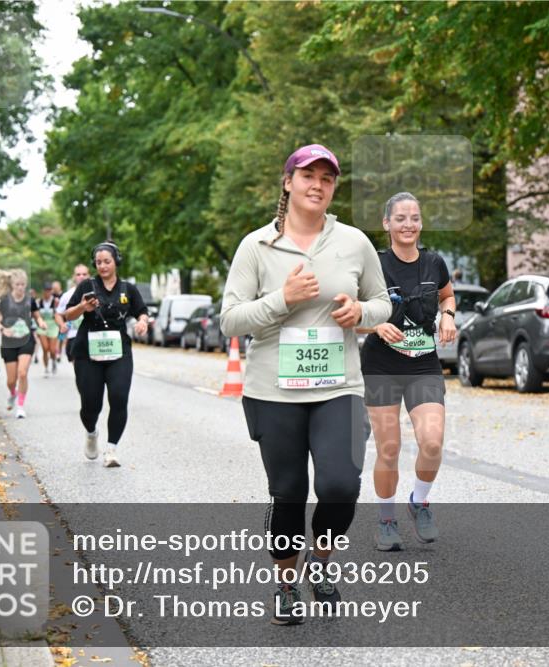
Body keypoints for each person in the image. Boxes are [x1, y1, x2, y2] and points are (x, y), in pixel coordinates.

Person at [220, 144, 392, 625]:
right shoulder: (257, 246)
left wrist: (361, 313)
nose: (318, 185)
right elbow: (231, 320)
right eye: (308, 175)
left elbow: (383, 303)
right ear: (288, 182)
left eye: (327, 178)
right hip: (273, 390)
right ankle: (285, 583)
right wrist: (281, 299)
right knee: (289, 490)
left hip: (338, 384)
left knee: (340, 485)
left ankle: (321, 561)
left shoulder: (354, 242)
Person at [357, 192, 456, 551]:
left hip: (423, 365)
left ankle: (419, 501)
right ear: (387, 224)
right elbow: (353, 313)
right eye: (400, 218)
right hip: (382, 366)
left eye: (414, 218)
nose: (408, 224)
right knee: (390, 448)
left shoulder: (434, 262)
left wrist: (447, 315)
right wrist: (375, 327)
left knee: (432, 442)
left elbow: (447, 295)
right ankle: (386, 520)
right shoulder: (374, 265)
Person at [62, 243, 149, 468]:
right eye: (98, 262)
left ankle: (111, 449)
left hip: (119, 351)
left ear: (116, 261)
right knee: (91, 405)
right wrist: (83, 307)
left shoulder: (128, 289)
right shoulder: (86, 286)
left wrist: (142, 322)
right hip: (87, 352)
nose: (102, 266)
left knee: (119, 397)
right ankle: (91, 432)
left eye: (107, 261)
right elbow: (68, 315)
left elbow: (141, 311)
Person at [0, 269, 48, 419]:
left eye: (23, 284)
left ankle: (20, 406)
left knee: (22, 373)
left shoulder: (30, 300)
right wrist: (2, 328)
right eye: (17, 284)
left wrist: (41, 323)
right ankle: (13, 393)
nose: (20, 287)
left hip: (26, 340)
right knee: (11, 380)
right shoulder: (4, 300)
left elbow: (37, 316)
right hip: (8, 342)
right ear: (12, 285)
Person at [56, 265, 90, 362]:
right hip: (74, 336)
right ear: (74, 277)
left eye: (84, 274)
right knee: (80, 372)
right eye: (78, 274)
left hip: (92, 336)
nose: (81, 276)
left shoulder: (96, 292)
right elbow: (58, 314)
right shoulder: (67, 295)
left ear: (89, 275)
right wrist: (62, 325)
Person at [36, 283, 61, 377]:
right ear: (43, 291)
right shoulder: (39, 301)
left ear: (51, 291)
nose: (48, 292)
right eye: (46, 290)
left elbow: (59, 312)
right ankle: (46, 368)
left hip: (53, 325)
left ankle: (53, 361)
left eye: (49, 290)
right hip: (42, 325)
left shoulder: (55, 301)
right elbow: (36, 314)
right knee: (45, 348)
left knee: (52, 349)